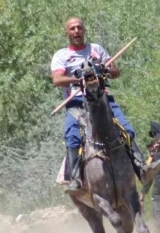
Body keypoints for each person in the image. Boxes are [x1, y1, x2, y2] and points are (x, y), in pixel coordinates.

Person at [51, 16, 146, 193]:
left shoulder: (96, 49)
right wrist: (79, 78)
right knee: (72, 137)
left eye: (79, 27)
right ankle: (75, 178)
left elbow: (116, 72)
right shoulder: (62, 55)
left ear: (84, 30)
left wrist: (105, 70)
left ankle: (140, 167)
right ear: (67, 33)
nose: (76, 31)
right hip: (77, 103)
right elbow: (57, 79)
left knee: (126, 129)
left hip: (104, 100)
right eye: (72, 28)